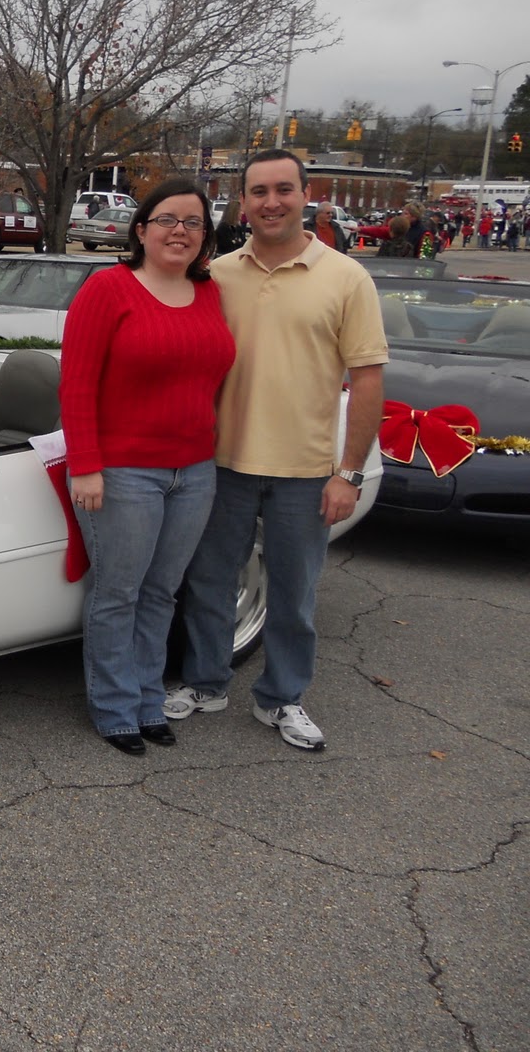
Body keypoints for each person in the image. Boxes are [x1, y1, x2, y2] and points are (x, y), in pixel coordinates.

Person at [165, 149, 386, 751]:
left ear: (305, 194)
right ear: (242, 201)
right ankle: (206, 683)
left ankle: (283, 698)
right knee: (209, 585)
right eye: (258, 191)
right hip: (221, 466)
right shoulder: (217, 275)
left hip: (305, 472)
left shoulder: (346, 278)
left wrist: (349, 475)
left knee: (292, 595)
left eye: (283, 189)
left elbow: (367, 382)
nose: (271, 202)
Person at [61, 178, 235, 755]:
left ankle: (145, 699)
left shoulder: (209, 293)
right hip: (122, 471)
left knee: (162, 593)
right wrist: (86, 464)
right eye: (167, 219)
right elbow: (77, 383)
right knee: (120, 591)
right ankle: (114, 709)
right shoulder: (109, 289)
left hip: (195, 471)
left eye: (192, 222)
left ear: (205, 237)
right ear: (141, 229)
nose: (179, 231)